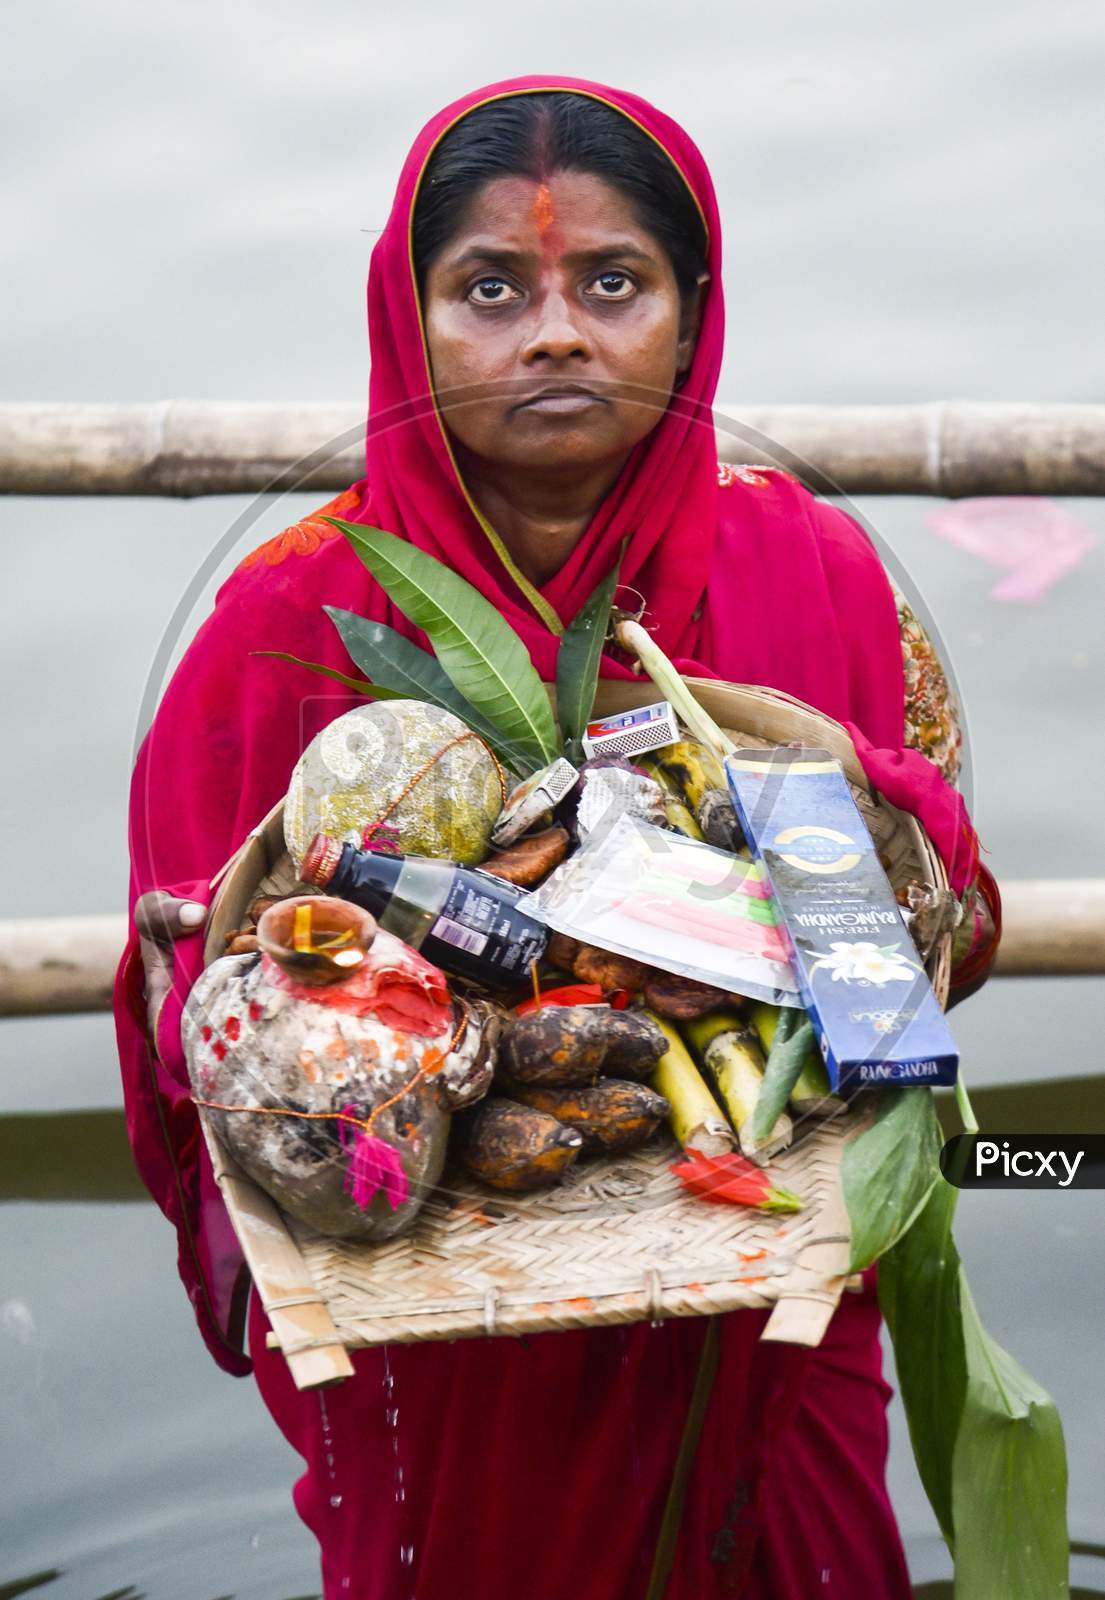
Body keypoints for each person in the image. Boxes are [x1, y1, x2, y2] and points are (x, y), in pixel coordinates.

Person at [114, 75, 1000, 1599]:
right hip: (445, 1306)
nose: (555, 334)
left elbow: (953, 933)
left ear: (691, 307)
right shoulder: (282, 623)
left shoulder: (823, 571)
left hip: (758, 1266)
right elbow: (180, 1001)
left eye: (611, 283)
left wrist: (843, 887)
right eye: (489, 289)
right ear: (408, 318)